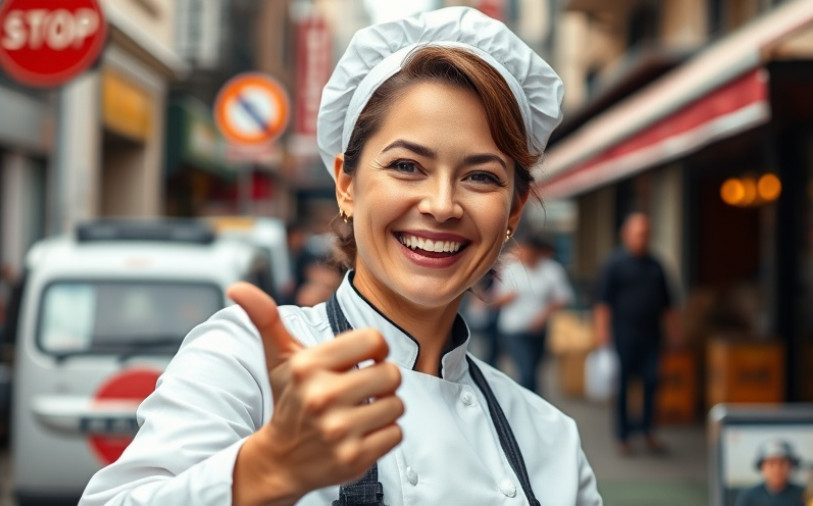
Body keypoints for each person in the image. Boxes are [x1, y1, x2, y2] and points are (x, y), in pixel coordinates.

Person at [80, 7, 600, 505]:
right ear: (347, 185)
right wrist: (264, 471)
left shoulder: (549, 440)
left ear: (513, 212)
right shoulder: (246, 362)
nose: (442, 206)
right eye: (406, 166)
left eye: (481, 177)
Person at [592, 212, 680, 455]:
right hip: (623, 335)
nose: (643, 238)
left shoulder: (656, 264)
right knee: (622, 387)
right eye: (639, 233)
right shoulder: (614, 264)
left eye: (646, 234)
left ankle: (647, 429)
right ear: (626, 235)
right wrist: (602, 337)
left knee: (653, 381)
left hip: (651, 335)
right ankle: (623, 436)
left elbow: (668, 304)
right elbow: (602, 304)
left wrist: (675, 334)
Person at [495, 235, 573, 393]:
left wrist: (544, 314)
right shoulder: (511, 270)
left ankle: (533, 404)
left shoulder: (552, 270)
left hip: (539, 330)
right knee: (526, 371)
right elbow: (494, 300)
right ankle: (526, 403)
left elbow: (564, 297)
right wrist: (507, 298)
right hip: (514, 328)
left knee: (535, 370)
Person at [735, 439, 805, 506]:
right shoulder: (748, 497)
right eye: (771, 463)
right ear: (762, 467)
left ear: (791, 466)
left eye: (782, 463)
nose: (777, 469)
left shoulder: (804, 495)